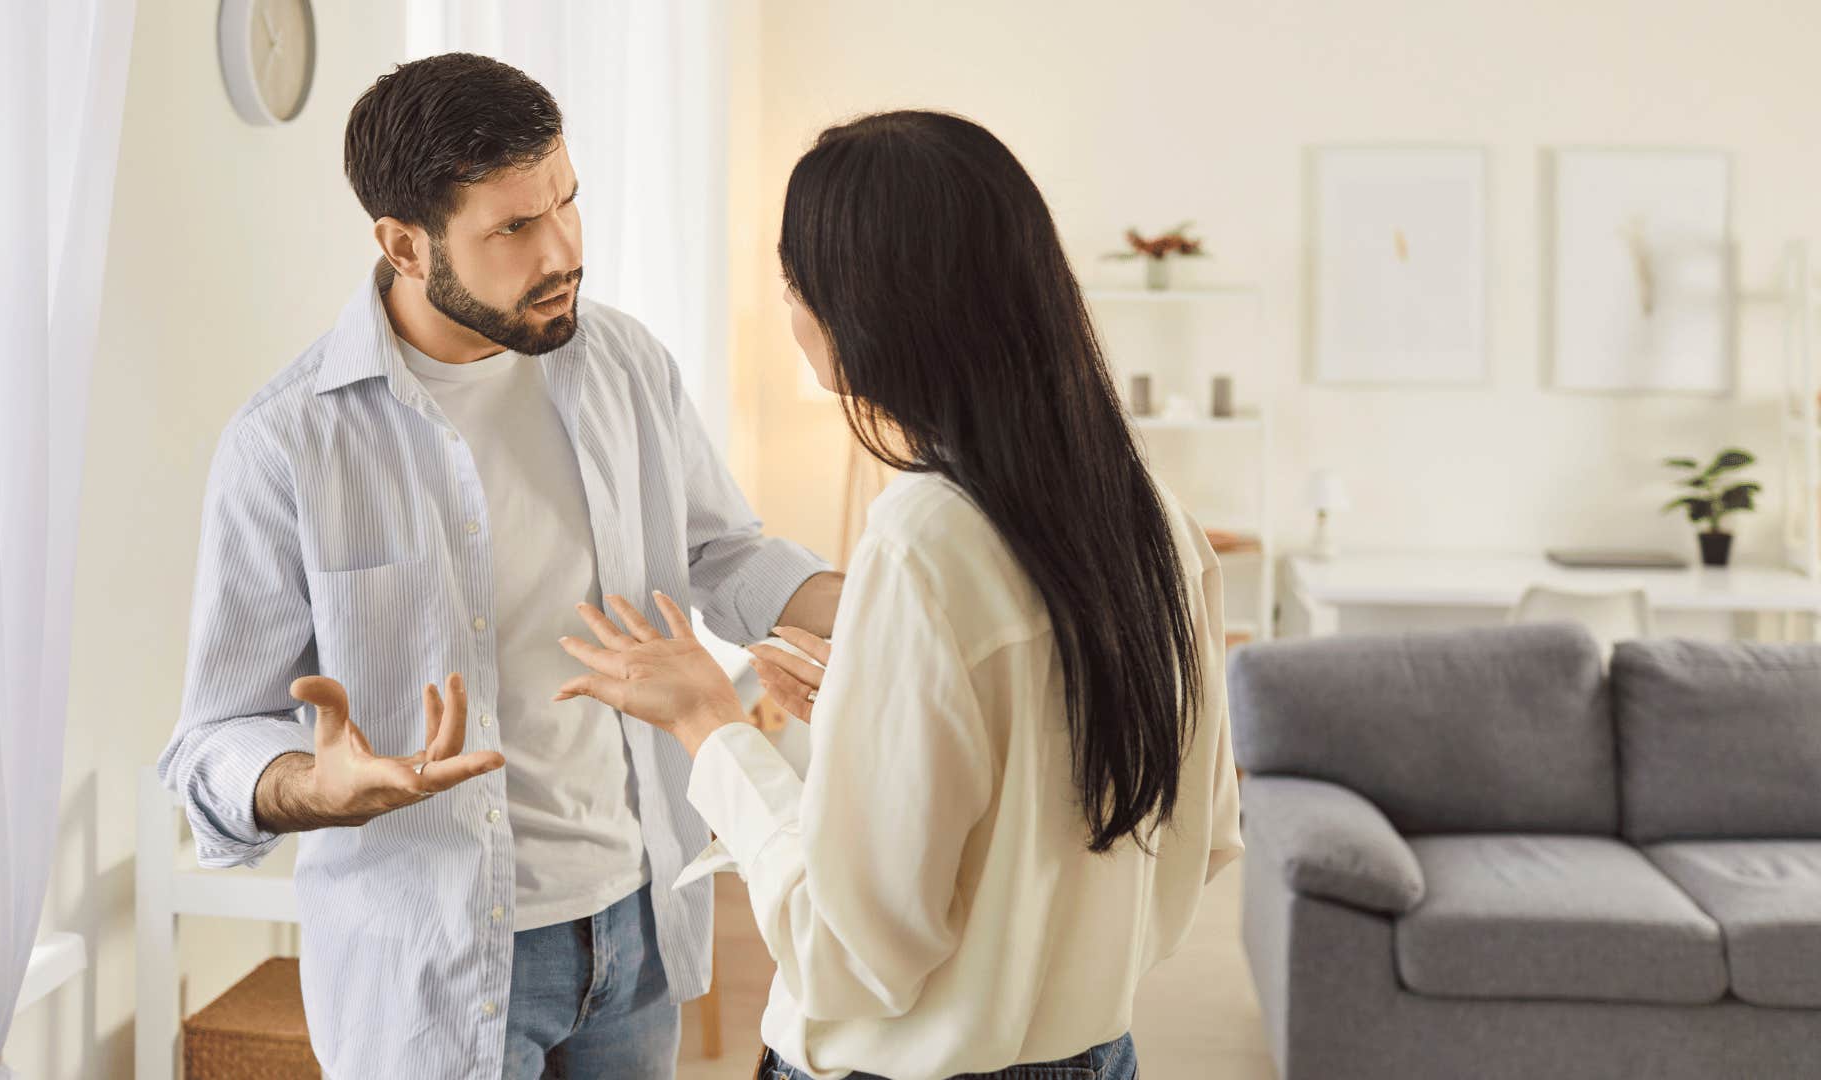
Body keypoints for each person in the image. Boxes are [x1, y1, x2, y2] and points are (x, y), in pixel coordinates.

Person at [155, 53, 842, 1080]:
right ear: (402, 242)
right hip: (430, 966)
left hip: (635, 926)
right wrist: (309, 783)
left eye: (566, 202)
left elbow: (723, 552)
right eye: (514, 228)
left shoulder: (624, 362)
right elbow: (214, 737)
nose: (563, 248)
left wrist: (899, 605)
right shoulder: (287, 445)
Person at [554, 110, 1245, 1080]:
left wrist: (712, 729)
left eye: (794, 287)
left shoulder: (923, 540)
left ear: (861, 312)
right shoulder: (1154, 516)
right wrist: (872, 718)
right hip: (1102, 1054)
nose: (791, 315)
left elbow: (846, 959)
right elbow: (1202, 835)